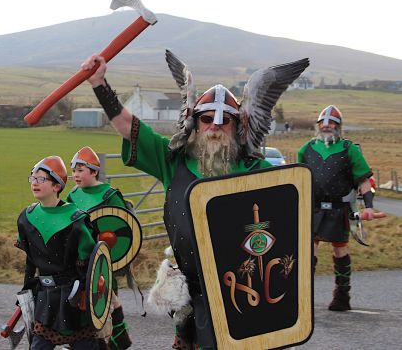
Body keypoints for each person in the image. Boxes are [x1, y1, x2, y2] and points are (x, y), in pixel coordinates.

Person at [79, 50, 309, 350]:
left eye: (225, 119)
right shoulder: (173, 161)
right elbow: (127, 126)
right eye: (206, 119)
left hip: (241, 288)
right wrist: (100, 84)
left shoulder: (257, 171)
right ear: (193, 122)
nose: (215, 126)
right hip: (189, 288)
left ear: (238, 125)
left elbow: (290, 211)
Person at [15, 155, 100, 349]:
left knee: (85, 344)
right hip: (45, 297)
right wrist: (26, 291)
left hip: (74, 297)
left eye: (41, 179)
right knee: (39, 345)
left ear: (56, 186)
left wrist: (86, 295)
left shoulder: (77, 220)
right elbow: (30, 261)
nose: (35, 183)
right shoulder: (26, 218)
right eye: (33, 178)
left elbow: (89, 265)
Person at [297, 105, 376, 312]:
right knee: (308, 250)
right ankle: (302, 296)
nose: (326, 126)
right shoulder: (306, 149)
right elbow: (297, 179)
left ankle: (342, 296)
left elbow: (364, 181)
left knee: (340, 250)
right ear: (317, 125)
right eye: (323, 123)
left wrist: (369, 207)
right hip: (312, 207)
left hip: (339, 208)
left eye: (331, 123)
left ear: (338, 126)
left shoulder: (350, 149)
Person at [66, 146, 133, 350]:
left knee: (103, 299)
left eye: (81, 170)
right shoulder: (73, 195)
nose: (75, 175)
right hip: (81, 257)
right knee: (83, 300)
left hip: (105, 256)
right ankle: (89, 340)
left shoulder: (109, 195)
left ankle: (113, 338)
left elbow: (124, 227)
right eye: (74, 170)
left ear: (94, 171)